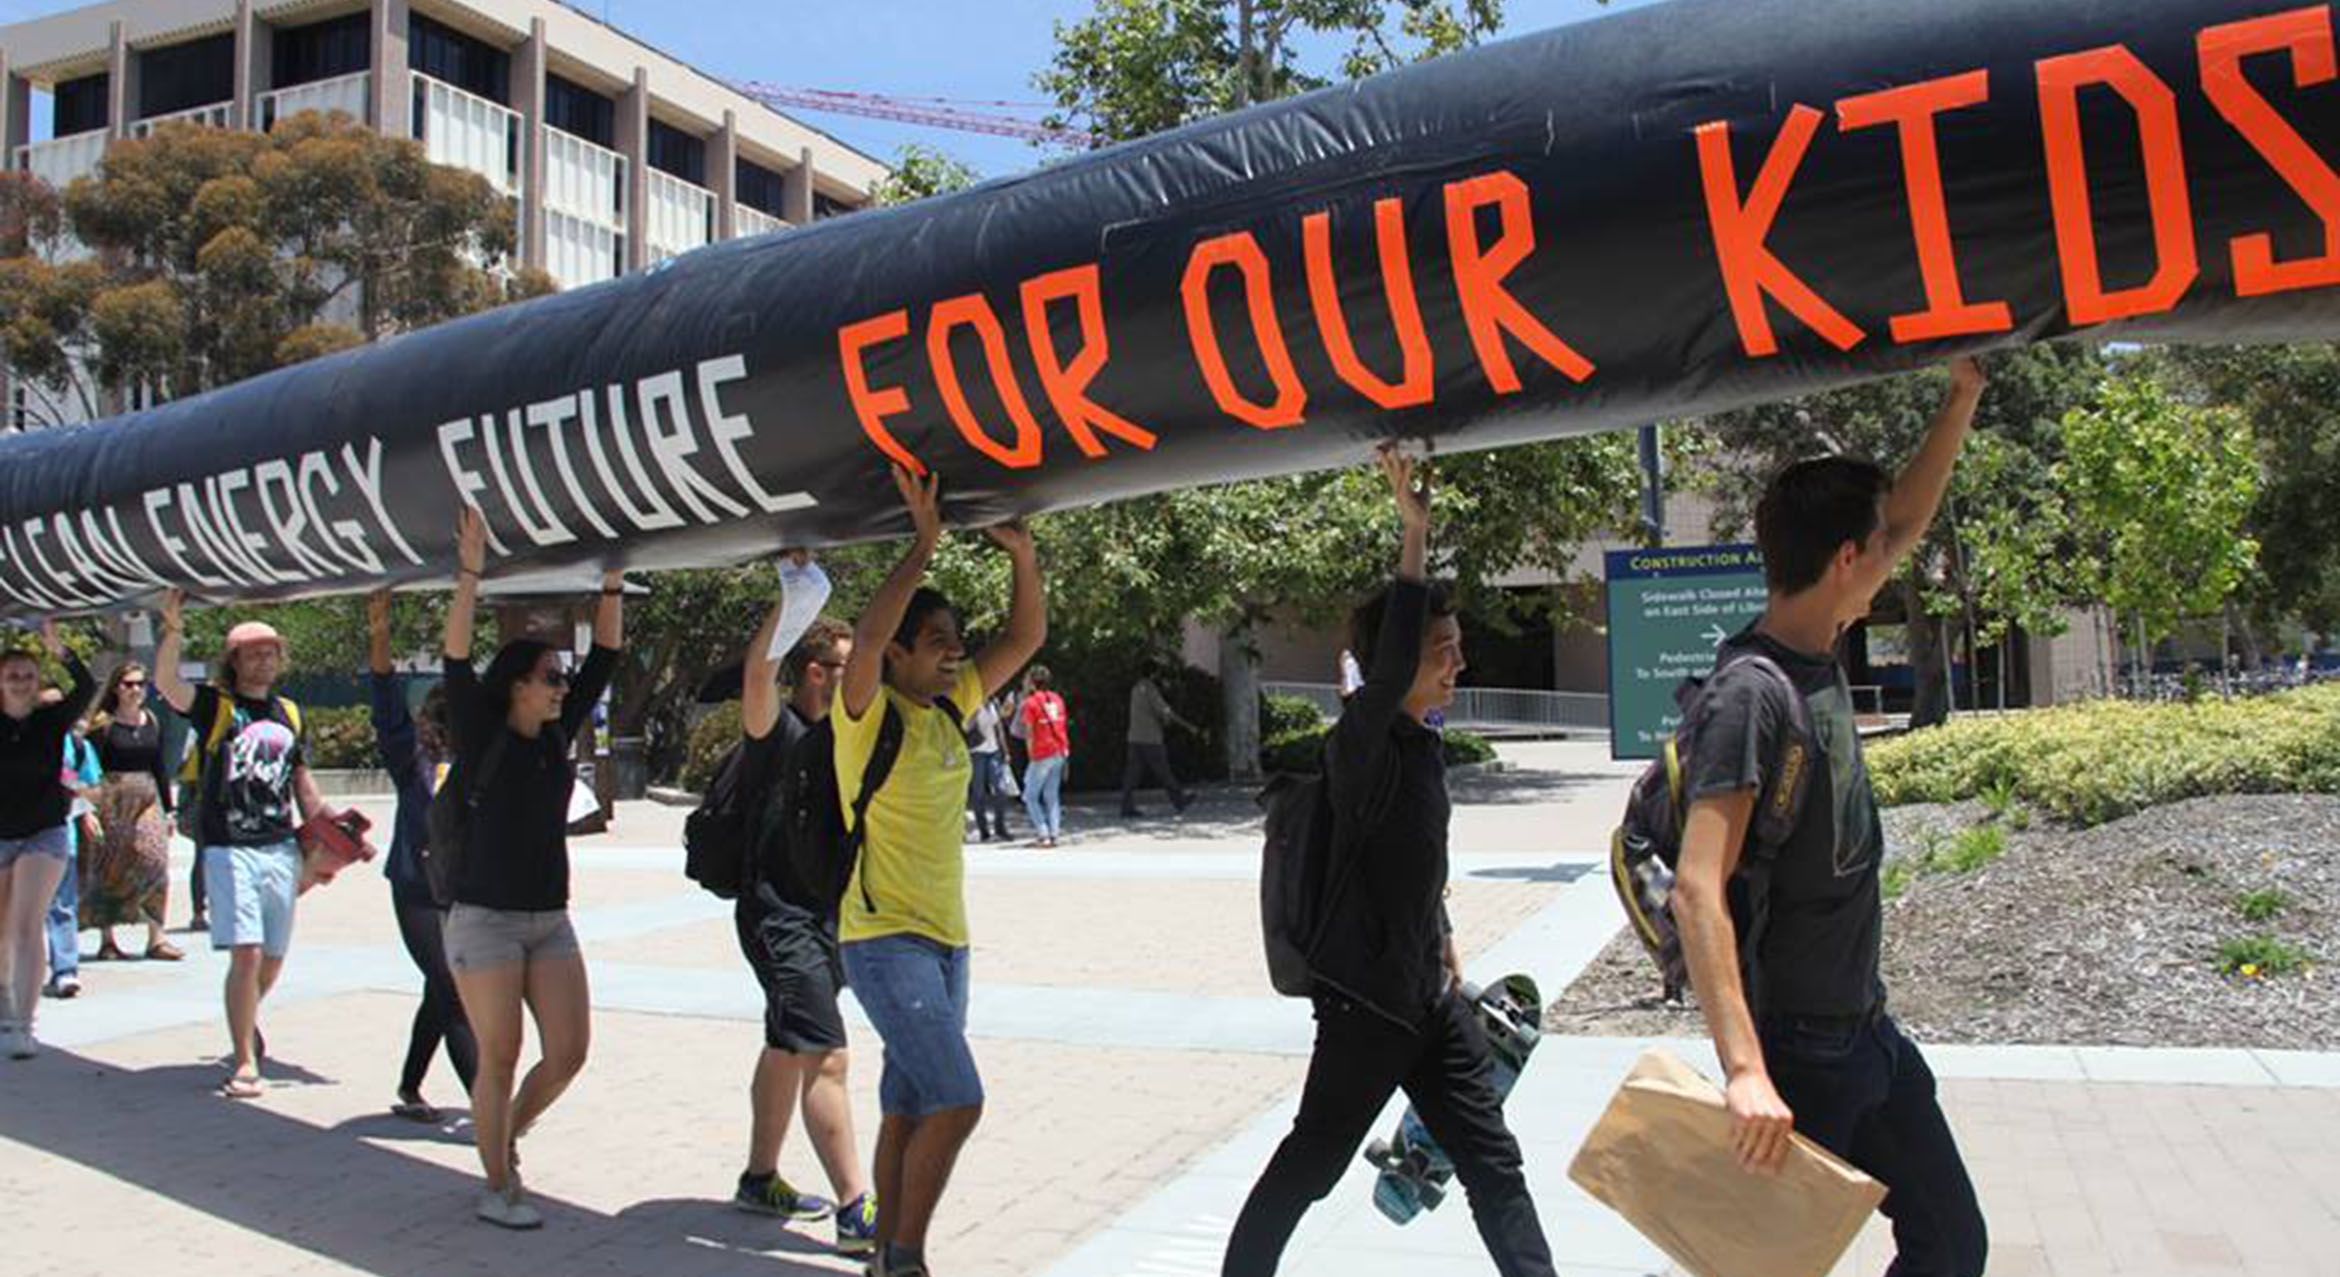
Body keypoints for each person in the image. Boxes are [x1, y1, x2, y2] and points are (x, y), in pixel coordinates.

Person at [1672, 358, 1988, 1277]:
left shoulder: (1820, 648)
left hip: (1866, 1030)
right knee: (1757, 1265)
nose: (1893, 554)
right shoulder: (1751, 694)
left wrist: (1961, 394)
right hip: (1799, 1049)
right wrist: (1743, 1069)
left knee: (1949, 1240)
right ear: (1846, 559)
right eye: (1878, 547)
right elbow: (1698, 888)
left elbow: (1908, 513)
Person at [1224, 446, 1555, 1277]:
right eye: (1443, 645)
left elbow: (1412, 866)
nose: (1459, 660)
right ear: (1398, 659)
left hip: (1428, 1002)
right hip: (1366, 1011)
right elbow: (1389, 660)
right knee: (1311, 1167)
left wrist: (1443, 939)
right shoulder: (1362, 743)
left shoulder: (1419, 747)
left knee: (1494, 1163)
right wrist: (1415, 536)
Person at [836, 467, 1046, 1277]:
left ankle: (883, 1257)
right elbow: (866, 631)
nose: (956, 648)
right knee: (959, 1097)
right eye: (937, 639)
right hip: (884, 939)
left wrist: (1022, 556)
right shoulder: (867, 716)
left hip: (947, 943)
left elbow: (1023, 640)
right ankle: (908, 1256)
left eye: (957, 637)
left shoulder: (949, 707)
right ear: (896, 653)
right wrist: (921, 546)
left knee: (909, 1104)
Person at [439, 507, 623, 1230]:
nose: (560, 686)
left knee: (569, 1051)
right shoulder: (483, 729)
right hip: (483, 917)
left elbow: (605, 660)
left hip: (549, 918)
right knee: (503, 1051)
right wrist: (471, 573)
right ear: (518, 682)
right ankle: (497, 1183)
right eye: (549, 676)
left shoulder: (555, 736)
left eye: (560, 678)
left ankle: (503, 1130)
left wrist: (613, 579)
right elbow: (455, 658)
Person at [729, 605, 877, 1252]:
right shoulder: (779, 729)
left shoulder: (849, 734)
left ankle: (759, 1178)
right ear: (817, 672)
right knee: (827, 1053)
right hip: (777, 918)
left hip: (825, 916)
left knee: (787, 1043)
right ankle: (855, 1210)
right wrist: (791, 604)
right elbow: (758, 677)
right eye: (849, 666)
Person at [155, 593, 326, 1097]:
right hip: (229, 845)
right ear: (233, 661)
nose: (264, 658)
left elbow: (301, 778)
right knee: (247, 954)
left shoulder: (289, 712)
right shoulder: (217, 706)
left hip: (280, 846)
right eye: (252, 652)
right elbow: (167, 686)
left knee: (273, 958)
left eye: (270, 650)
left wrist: (329, 830)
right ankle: (245, 1061)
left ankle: (243, 1017)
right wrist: (172, 631)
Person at [366, 589, 478, 1125]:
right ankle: (489, 1108)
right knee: (453, 990)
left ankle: (410, 1086)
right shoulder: (413, 761)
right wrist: (380, 634)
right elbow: (385, 700)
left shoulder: (480, 765)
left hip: (463, 894)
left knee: (442, 987)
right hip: (415, 890)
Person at [0, 623, 96, 1059]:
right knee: (2, 928)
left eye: (28, 674)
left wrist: (60, 650)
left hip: (44, 831)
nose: (21, 681)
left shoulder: (50, 720)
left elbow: (88, 686)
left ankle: (24, 1023)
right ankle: (5, 1005)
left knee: (26, 924)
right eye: (12, 675)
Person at [82, 662, 183, 963]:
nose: (135, 689)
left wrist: (169, 809)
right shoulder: (103, 725)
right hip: (112, 801)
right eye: (128, 684)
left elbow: (159, 767)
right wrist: (88, 808)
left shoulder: (151, 720)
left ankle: (157, 937)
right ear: (116, 687)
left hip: (147, 799)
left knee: (155, 860)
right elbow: (90, 769)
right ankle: (107, 939)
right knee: (110, 868)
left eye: (141, 684)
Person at [44, 723, 103, 999]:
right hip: (11, 837)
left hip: (60, 835)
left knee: (62, 906)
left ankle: (65, 971)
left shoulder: (77, 746)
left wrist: (82, 804)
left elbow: (94, 788)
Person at [1119, 662, 1196, 818]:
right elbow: (1165, 711)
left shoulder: (1136, 689)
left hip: (1134, 737)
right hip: (1151, 738)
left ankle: (1126, 806)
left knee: (1132, 774)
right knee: (1164, 771)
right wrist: (1188, 726)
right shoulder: (1150, 689)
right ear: (1153, 674)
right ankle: (1179, 800)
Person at [1017, 667, 1069, 848]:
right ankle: (1054, 834)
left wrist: (1031, 755)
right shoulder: (1057, 699)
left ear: (1032, 682)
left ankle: (1043, 834)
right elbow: (1062, 726)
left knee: (1030, 796)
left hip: (1041, 752)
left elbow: (1029, 733)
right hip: (1059, 750)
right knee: (1052, 795)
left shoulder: (1030, 703)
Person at [964, 693, 1015, 843]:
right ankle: (984, 831)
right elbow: (966, 727)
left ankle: (1000, 828)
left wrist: (1005, 751)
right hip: (976, 753)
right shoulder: (971, 703)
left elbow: (999, 728)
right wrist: (973, 712)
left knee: (1001, 790)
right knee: (978, 793)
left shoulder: (994, 702)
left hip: (993, 751)